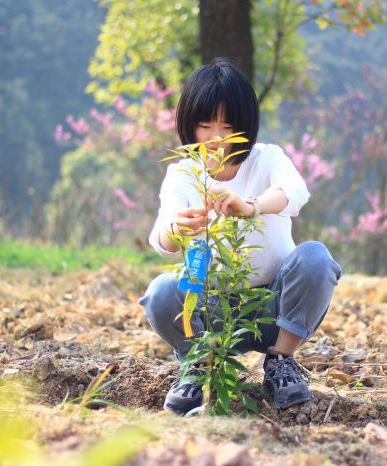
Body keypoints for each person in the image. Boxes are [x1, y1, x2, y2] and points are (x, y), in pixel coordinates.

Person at [138, 58, 342, 415]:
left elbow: (295, 192)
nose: (216, 138)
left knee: (315, 258)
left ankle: (281, 361)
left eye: (228, 126)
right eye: (205, 126)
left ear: (246, 126)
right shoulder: (183, 174)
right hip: (210, 310)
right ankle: (197, 365)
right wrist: (178, 228)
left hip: (272, 307)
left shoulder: (266, 159)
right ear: (189, 126)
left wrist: (252, 206)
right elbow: (161, 239)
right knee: (161, 292)